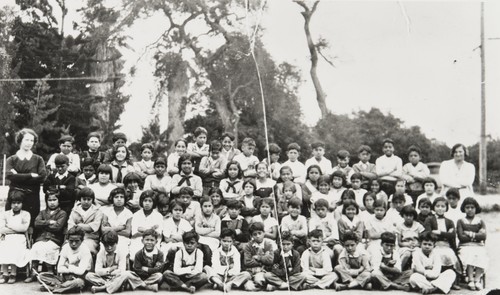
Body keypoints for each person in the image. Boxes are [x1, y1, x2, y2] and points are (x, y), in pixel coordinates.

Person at [5, 128, 47, 225]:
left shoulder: (38, 159)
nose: (29, 143)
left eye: (32, 140)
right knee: (12, 223)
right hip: (14, 197)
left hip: (32, 197)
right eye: (26, 140)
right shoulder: (11, 159)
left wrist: (18, 176)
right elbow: (10, 176)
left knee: (31, 225)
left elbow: (42, 177)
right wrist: (31, 175)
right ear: (20, 140)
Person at [25, 191, 68, 283]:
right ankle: (34, 272)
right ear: (46, 201)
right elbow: (36, 223)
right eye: (49, 200)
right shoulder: (42, 212)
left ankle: (50, 272)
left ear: (58, 201)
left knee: (48, 248)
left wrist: (43, 224)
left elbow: (57, 227)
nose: (52, 202)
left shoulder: (62, 213)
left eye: (54, 200)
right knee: (36, 247)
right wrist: (49, 222)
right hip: (41, 238)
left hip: (54, 239)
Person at [37, 227, 92, 293]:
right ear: (68, 240)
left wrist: (67, 265)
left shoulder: (85, 250)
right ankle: (63, 287)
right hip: (65, 278)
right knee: (41, 276)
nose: (74, 244)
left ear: (82, 240)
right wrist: (72, 268)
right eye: (71, 241)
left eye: (77, 241)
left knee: (78, 283)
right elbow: (59, 269)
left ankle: (56, 288)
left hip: (79, 278)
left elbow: (80, 272)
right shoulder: (65, 247)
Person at [423, 197, 461, 283]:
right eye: (437, 206)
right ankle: (437, 279)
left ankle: (452, 281)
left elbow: (452, 235)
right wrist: (446, 234)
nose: (440, 208)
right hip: (434, 245)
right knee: (437, 255)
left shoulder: (449, 221)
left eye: (443, 206)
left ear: (446, 208)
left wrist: (440, 232)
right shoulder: (429, 220)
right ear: (434, 207)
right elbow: (429, 234)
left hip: (447, 245)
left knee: (450, 255)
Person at [457, 197, 487, 291]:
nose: (470, 210)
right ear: (464, 208)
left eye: (472, 207)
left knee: (481, 254)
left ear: (476, 208)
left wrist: (469, 233)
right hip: (465, 246)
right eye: (467, 207)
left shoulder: (480, 221)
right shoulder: (461, 221)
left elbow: (483, 236)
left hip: (478, 246)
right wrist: (476, 235)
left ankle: (477, 280)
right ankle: (470, 279)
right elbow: (461, 237)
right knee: (469, 253)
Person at [0, 192, 30, 284]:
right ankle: (4, 273)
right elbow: (1, 229)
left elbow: (24, 228)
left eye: (18, 203)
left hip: (20, 238)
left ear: (22, 203)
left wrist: (9, 226)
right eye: (13, 203)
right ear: (10, 203)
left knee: (15, 246)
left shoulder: (25, 214)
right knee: (4, 245)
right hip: (7, 237)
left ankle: (13, 273)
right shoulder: (5, 214)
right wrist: (17, 228)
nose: (16, 205)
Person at [67, 187, 103, 255]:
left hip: (90, 238)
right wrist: (85, 227)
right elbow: (70, 227)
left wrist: (78, 226)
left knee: (86, 248)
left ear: (92, 200)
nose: (86, 202)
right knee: (66, 248)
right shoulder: (75, 210)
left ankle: (88, 265)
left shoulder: (97, 211)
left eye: (89, 199)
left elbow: (94, 227)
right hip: (75, 238)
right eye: (84, 199)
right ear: (80, 199)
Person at [129, 190, 163, 260]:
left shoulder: (158, 216)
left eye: (150, 201)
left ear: (153, 203)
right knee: (134, 256)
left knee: (152, 256)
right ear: (142, 202)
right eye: (145, 201)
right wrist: (151, 229)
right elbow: (134, 233)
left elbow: (158, 233)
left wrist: (142, 229)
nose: (147, 203)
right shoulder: (136, 215)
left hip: (153, 240)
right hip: (138, 239)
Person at [241, 222, 275, 291]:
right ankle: (256, 285)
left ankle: (262, 284)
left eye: (260, 233)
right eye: (255, 234)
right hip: (250, 271)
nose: (258, 236)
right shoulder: (248, 246)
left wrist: (258, 258)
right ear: (251, 236)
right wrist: (262, 260)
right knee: (249, 287)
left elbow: (270, 260)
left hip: (262, 271)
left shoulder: (268, 244)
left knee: (259, 279)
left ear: (264, 233)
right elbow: (247, 262)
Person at [101, 188, 133, 256]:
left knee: (122, 250)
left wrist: (110, 229)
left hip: (122, 239)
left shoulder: (129, 213)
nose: (119, 199)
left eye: (121, 197)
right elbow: (103, 230)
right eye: (116, 197)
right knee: (103, 250)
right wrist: (120, 228)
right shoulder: (106, 211)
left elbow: (127, 233)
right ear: (112, 198)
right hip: (107, 237)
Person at [396, 205, 424, 270]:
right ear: (403, 215)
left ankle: (415, 270)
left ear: (413, 216)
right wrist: (407, 245)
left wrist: (416, 244)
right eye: (406, 215)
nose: (408, 218)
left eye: (410, 216)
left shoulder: (418, 226)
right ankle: (399, 270)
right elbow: (399, 242)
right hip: (404, 246)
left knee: (416, 254)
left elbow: (421, 240)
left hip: (416, 246)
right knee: (407, 254)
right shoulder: (400, 226)